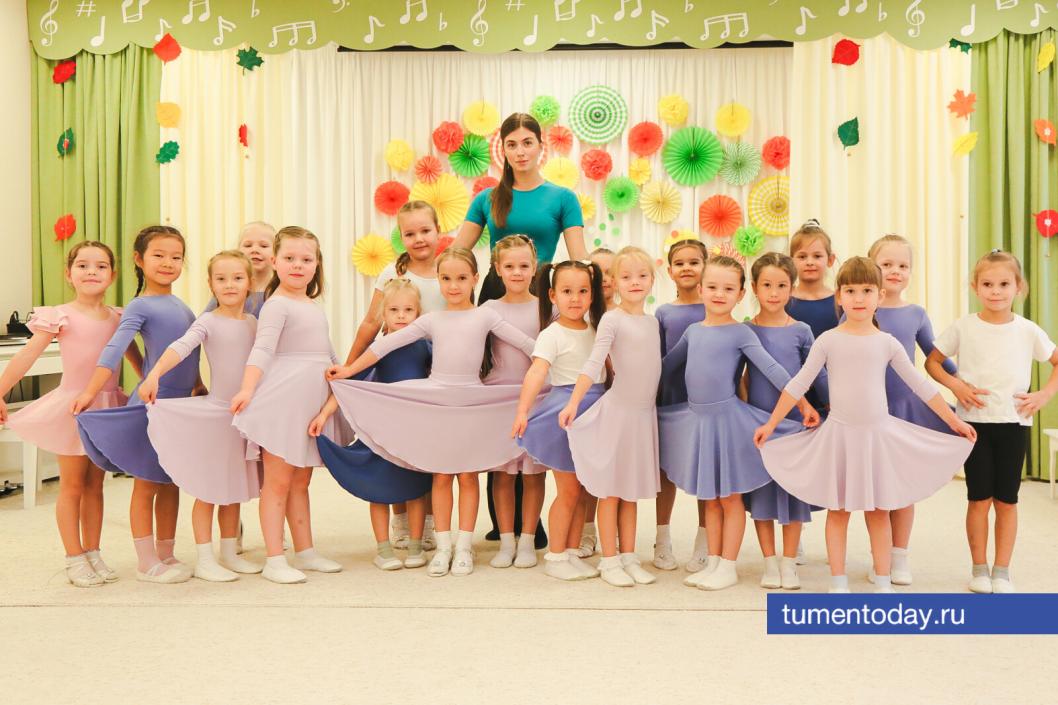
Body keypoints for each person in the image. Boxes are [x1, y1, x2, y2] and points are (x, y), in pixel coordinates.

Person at [755, 257, 976, 594]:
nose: (858, 298)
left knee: (878, 510)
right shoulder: (828, 340)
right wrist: (771, 424)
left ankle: (883, 580)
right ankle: (838, 581)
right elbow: (798, 384)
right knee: (839, 511)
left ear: (880, 296)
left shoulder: (887, 342)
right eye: (850, 291)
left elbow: (921, 385)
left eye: (867, 291)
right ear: (839, 296)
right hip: (839, 437)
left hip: (878, 437)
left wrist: (954, 420)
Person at [325, 247, 536, 578]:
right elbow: (384, 345)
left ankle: (463, 547)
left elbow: (525, 343)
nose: (454, 285)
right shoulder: (432, 320)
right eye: (446, 278)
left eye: (461, 278)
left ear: (475, 279)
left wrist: (556, 367)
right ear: (438, 280)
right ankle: (443, 547)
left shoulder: (485, 316)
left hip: (470, 402)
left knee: (468, 476)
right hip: (437, 401)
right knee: (441, 475)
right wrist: (350, 370)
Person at [74, 225, 201, 584]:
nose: (168, 263)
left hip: (181, 405)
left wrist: (198, 384)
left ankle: (166, 552)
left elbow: (187, 352)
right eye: (159, 255)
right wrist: (89, 392)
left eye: (176, 257)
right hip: (154, 404)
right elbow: (115, 348)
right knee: (147, 482)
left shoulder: (182, 306)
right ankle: (146, 562)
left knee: (172, 481)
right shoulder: (140, 305)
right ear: (139, 259)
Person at [926, 249, 1058, 594]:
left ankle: (1002, 570)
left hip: (1014, 424)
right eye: (987, 284)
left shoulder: (1028, 331)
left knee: (1007, 500)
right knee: (978, 499)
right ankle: (979, 568)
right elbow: (933, 362)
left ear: (1019, 287)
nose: (995, 291)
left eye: (1003, 284)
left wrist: (1043, 395)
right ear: (975, 287)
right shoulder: (964, 327)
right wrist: (956, 385)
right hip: (974, 424)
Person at [1, 242, 131, 586]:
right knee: (72, 485)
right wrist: (0, 391)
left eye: (101, 266)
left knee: (96, 485)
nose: (92, 272)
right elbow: (27, 355)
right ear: (68, 274)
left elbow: (136, 361)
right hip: (74, 408)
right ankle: (74, 557)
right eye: (83, 265)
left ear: (113, 274)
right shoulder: (59, 315)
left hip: (106, 408)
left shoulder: (119, 318)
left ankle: (93, 552)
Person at [230, 227, 345, 584]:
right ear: (274, 262)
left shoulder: (313, 306)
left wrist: (344, 378)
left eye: (306, 259)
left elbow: (327, 352)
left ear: (316, 264)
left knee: (300, 481)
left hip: (311, 400)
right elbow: (263, 349)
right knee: (277, 483)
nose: (298, 265)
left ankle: (305, 551)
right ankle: (274, 558)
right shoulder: (276, 304)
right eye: (290, 258)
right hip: (283, 400)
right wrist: (247, 389)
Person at [141, 250, 264, 582]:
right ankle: (205, 558)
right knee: (209, 490)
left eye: (237, 278)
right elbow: (182, 346)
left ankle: (229, 553)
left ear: (250, 283)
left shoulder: (253, 324)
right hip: (216, 417)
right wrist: (154, 374)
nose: (229, 285)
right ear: (210, 284)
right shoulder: (209, 321)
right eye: (221, 279)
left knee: (234, 489)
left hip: (243, 417)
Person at [559, 247, 661, 588]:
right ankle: (610, 559)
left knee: (631, 492)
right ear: (614, 282)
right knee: (612, 492)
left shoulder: (652, 322)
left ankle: (630, 557)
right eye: (627, 277)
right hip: (618, 414)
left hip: (642, 417)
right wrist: (573, 403)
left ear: (652, 280)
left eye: (642, 276)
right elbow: (593, 362)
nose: (635, 282)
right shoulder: (612, 319)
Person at [512, 260, 607, 581]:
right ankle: (555, 556)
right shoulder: (552, 334)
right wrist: (523, 410)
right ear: (553, 295)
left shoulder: (596, 330)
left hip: (595, 413)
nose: (575, 298)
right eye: (567, 291)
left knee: (582, 491)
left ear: (592, 295)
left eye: (583, 291)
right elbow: (537, 372)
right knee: (568, 491)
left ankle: (570, 551)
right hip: (567, 413)